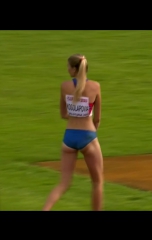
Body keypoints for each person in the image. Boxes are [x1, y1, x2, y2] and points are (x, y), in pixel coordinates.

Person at [43, 54, 104, 211]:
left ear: (74, 69)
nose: (67, 69)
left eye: (68, 67)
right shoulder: (95, 87)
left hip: (69, 137)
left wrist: (75, 114)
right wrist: (90, 129)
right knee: (97, 182)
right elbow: (97, 119)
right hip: (88, 136)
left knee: (63, 183)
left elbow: (63, 114)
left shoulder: (65, 86)